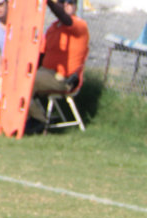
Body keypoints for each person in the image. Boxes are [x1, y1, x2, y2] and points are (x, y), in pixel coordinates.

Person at [27, 0, 89, 132]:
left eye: (71, 2)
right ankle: (29, 117)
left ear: (76, 6)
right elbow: (41, 55)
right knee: (23, 77)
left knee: (30, 80)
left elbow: (65, 18)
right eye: (62, 2)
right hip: (46, 73)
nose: (67, 5)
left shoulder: (79, 25)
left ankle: (39, 120)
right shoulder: (52, 28)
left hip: (64, 79)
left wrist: (49, 3)